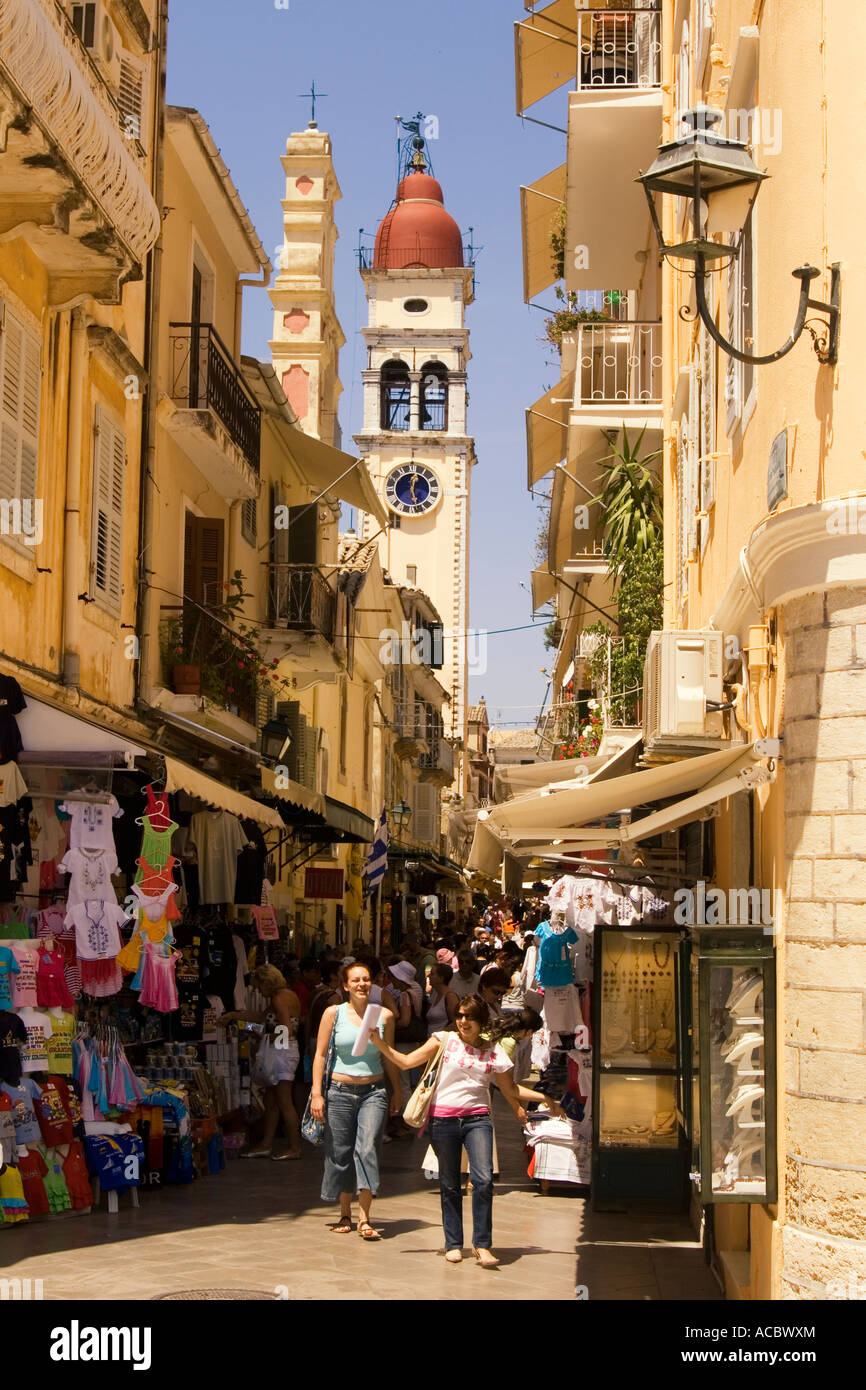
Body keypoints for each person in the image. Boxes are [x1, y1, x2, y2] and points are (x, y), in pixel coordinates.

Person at [368, 995, 554, 1266]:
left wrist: (546, 1100)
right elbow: (407, 1062)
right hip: (443, 1121)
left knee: (483, 1180)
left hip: (478, 1120)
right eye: (460, 1016)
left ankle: (482, 1245)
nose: (463, 1021)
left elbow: (509, 1089)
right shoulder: (443, 1040)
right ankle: (453, 1244)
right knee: (449, 1183)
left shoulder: (493, 1051)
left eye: (469, 1017)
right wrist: (378, 1042)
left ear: (480, 1021)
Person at [311, 961, 402, 1239]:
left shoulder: (384, 1016)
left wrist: (397, 1090)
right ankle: (345, 1213)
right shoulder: (333, 1014)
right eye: (356, 980)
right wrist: (317, 1093)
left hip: (373, 1092)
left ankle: (364, 1217)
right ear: (346, 985)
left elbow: (390, 1057)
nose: (362, 984)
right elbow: (321, 1054)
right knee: (340, 1151)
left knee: (367, 1148)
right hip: (338, 1091)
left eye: (366, 979)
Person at [222, 965, 302, 1160]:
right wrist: (234, 1017)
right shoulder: (286, 995)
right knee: (272, 1101)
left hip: (282, 1053)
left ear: (267, 982)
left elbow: (285, 1031)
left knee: (283, 1101)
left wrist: (264, 1036)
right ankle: (266, 1144)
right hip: (285, 1051)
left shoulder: (278, 998)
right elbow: (261, 1019)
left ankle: (294, 1147)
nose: (258, 991)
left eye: (259, 986)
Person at [426, 962, 459, 1034]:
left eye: (432, 974)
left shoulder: (450, 997)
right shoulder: (435, 994)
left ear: (441, 978)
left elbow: (456, 1022)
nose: (428, 976)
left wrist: (439, 1035)